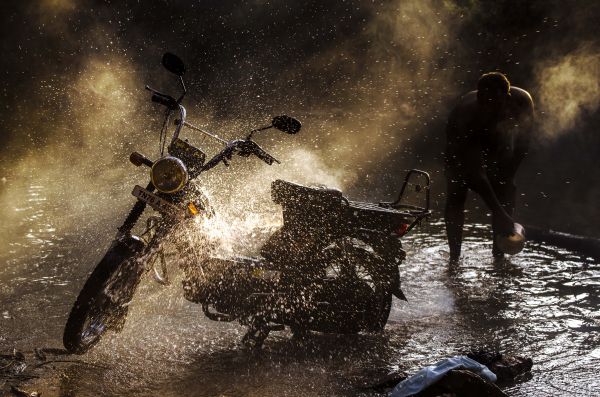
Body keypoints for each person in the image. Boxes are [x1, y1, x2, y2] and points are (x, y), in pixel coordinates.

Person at [444, 72, 535, 261]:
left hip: (496, 140)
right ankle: (454, 259)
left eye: (496, 104)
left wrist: (509, 176)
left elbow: (522, 145)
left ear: (507, 99)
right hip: (460, 147)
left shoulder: (522, 102)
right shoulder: (466, 117)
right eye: (486, 104)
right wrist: (499, 212)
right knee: (456, 193)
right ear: (479, 99)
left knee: (506, 189)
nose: (490, 109)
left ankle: (499, 254)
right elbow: (475, 173)